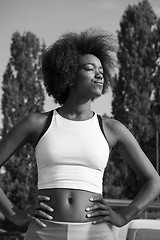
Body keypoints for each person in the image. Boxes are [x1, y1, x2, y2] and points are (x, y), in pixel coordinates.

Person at [0, 28, 160, 240]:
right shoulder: (37, 123)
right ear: (68, 74)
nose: (99, 74)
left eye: (101, 69)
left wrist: (124, 216)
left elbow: (154, 181)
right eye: (89, 68)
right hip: (43, 232)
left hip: (95, 233)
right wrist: (14, 214)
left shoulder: (112, 129)